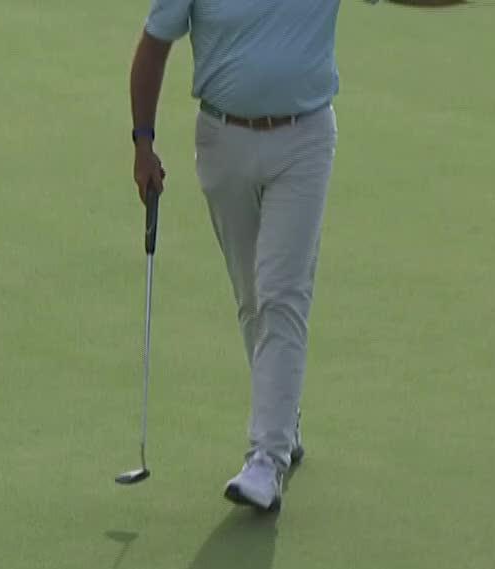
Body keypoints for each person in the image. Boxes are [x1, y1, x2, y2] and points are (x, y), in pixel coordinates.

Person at [129, 0, 342, 512]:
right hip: (223, 139)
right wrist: (143, 142)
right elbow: (154, 45)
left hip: (304, 139)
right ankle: (283, 424)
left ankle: (265, 459)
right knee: (251, 297)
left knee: (280, 294)